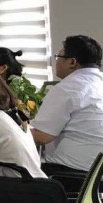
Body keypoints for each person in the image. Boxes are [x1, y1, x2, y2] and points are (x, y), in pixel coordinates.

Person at [31, 35, 103, 173]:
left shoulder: (68, 87)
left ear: (72, 62)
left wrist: (15, 129)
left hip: (72, 173)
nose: (56, 61)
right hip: (96, 176)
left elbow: (42, 136)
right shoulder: (99, 83)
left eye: (58, 57)